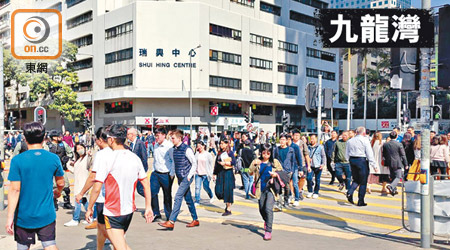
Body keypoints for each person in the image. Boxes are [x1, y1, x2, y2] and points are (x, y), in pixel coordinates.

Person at [85, 124, 153, 249]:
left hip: (113, 211)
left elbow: (96, 187)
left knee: (120, 247)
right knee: (120, 245)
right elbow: (146, 184)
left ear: (111, 139)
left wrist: (89, 208)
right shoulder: (135, 158)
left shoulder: (107, 158)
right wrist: (148, 206)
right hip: (129, 211)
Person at [5, 122, 65, 250]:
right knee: (49, 244)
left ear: (25, 139)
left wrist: (9, 217)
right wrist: (58, 192)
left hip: (23, 215)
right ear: (44, 138)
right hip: (47, 214)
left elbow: (15, 190)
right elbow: (61, 182)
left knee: (23, 247)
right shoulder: (53, 158)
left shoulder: (17, 160)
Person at [76, 127, 113, 249]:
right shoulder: (121, 152)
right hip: (118, 198)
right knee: (107, 228)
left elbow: (93, 177)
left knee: (107, 230)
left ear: (100, 140)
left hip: (104, 198)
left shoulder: (101, 154)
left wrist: (82, 193)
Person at [159, 129, 199, 229]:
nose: (171, 140)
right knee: (188, 199)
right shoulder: (174, 150)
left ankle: (171, 221)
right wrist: (172, 174)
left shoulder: (187, 149)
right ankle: (195, 219)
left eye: (173, 138)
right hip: (180, 177)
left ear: (179, 138)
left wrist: (189, 176)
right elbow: (174, 163)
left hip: (186, 177)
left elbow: (194, 163)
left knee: (178, 197)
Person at [249, 143, 283, 241]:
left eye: (268, 153)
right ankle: (266, 220)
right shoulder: (257, 162)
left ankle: (268, 230)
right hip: (261, 189)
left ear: (271, 153)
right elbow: (250, 172)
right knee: (262, 209)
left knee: (268, 208)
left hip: (271, 189)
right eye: (264, 153)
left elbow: (281, 172)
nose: (266, 155)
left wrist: (275, 175)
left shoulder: (275, 162)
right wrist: (254, 164)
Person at [345, 127, 376, 206]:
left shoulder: (350, 141)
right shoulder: (365, 140)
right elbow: (369, 153)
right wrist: (374, 164)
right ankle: (360, 201)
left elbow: (347, 153)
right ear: (364, 133)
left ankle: (350, 192)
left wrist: (348, 160)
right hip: (361, 160)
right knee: (363, 181)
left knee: (356, 179)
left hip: (352, 160)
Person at [64, 143, 93, 227]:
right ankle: (91, 217)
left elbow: (90, 161)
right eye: (78, 148)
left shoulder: (86, 157)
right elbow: (74, 171)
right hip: (78, 183)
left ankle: (75, 219)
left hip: (83, 183)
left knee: (78, 201)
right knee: (83, 201)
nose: (80, 149)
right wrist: (68, 164)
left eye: (81, 147)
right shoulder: (78, 159)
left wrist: (90, 155)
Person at [150, 127, 175, 222]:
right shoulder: (155, 145)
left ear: (164, 135)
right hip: (156, 173)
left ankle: (169, 216)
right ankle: (156, 213)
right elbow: (155, 159)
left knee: (167, 195)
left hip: (166, 174)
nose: (156, 138)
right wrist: (153, 169)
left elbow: (173, 161)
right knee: (152, 193)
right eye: (155, 136)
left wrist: (172, 173)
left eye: (158, 135)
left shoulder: (169, 146)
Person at [45, 130, 74, 210]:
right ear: (54, 137)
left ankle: (66, 202)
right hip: (51, 169)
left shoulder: (63, 144)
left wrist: (67, 158)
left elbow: (70, 152)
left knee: (66, 185)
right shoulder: (47, 146)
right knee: (53, 186)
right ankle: (54, 202)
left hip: (61, 167)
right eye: (59, 136)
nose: (61, 137)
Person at [213, 138, 236, 216]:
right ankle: (226, 202)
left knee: (227, 190)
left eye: (222, 143)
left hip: (228, 173)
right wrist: (214, 173)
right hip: (220, 173)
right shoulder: (219, 153)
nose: (221, 145)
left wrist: (226, 163)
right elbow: (216, 163)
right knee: (218, 190)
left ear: (227, 144)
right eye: (220, 143)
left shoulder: (230, 153)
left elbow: (234, 162)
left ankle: (228, 208)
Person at [273, 133, 296, 206]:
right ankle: (279, 201)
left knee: (287, 187)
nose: (282, 141)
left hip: (287, 171)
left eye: (283, 140)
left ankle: (286, 200)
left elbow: (293, 161)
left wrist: (292, 170)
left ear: (286, 141)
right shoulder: (276, 149)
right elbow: (274, 159)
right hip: (279, 171)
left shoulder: (291, 150)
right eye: (281, 139)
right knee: (278, 186)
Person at [382, 131, 408, 196]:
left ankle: (393, 190)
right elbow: (403, 155)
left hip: (389, 162)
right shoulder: (399, 144)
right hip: (397, 162)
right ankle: (391, 186)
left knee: (393, 176)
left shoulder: (385, 144)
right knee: (398, 176)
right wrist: (406, 164)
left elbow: (384, 154)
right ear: (396, 136)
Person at [127, 127, 149, 197]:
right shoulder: (130, 144)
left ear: (132, 135)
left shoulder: (140, 143)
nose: (127, 136)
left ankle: (151, 199)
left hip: (139, 171)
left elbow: (144, 157)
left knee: (140, 190)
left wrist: (144, 170)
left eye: (128, 134)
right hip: (133, 171)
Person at [194, 140, 214, 206]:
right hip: (198, 173)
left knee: (206, 187)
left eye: (200, 146)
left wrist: (211, 173)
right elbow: (194, 163)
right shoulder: (196, 154)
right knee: (197, 187)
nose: (199, 147)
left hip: (206, 174)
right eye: (198, 146)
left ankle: (211, 196)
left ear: (203, 146)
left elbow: (211, 164)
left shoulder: (208, 154)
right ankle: (197, 200)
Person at [306, 134, 326, 199]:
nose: (312, 140)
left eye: (313, 138)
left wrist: (323, 164)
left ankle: (316, 192)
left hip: (318, 166)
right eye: (311, 138)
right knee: (308, 178)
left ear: (316, 139)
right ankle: (310, 191)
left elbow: (323, 156)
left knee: (317, 180)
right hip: (310, 166)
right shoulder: (308, 147)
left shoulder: (320, 147)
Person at [292, 129, 311, 199]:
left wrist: (308, 165)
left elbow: (306, 155)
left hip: (301, 164)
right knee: (293, 180)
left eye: (298, 135)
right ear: (292, 136)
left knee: (302, 178)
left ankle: (299, 191)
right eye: (295, 135)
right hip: (292, 165)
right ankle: (293, 193)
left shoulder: (302, 143)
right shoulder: (290, 143)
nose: (297, 137)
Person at [286, 134, 302, 206]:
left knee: (295, 183)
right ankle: (289, 196)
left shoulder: (295, 147)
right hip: (287, 168)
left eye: (286, 139)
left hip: (294, 167)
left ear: (289, 139)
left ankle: (296, 199)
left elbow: (299, 158)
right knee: (288, 184)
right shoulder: (285, 147)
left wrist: (300, 169)